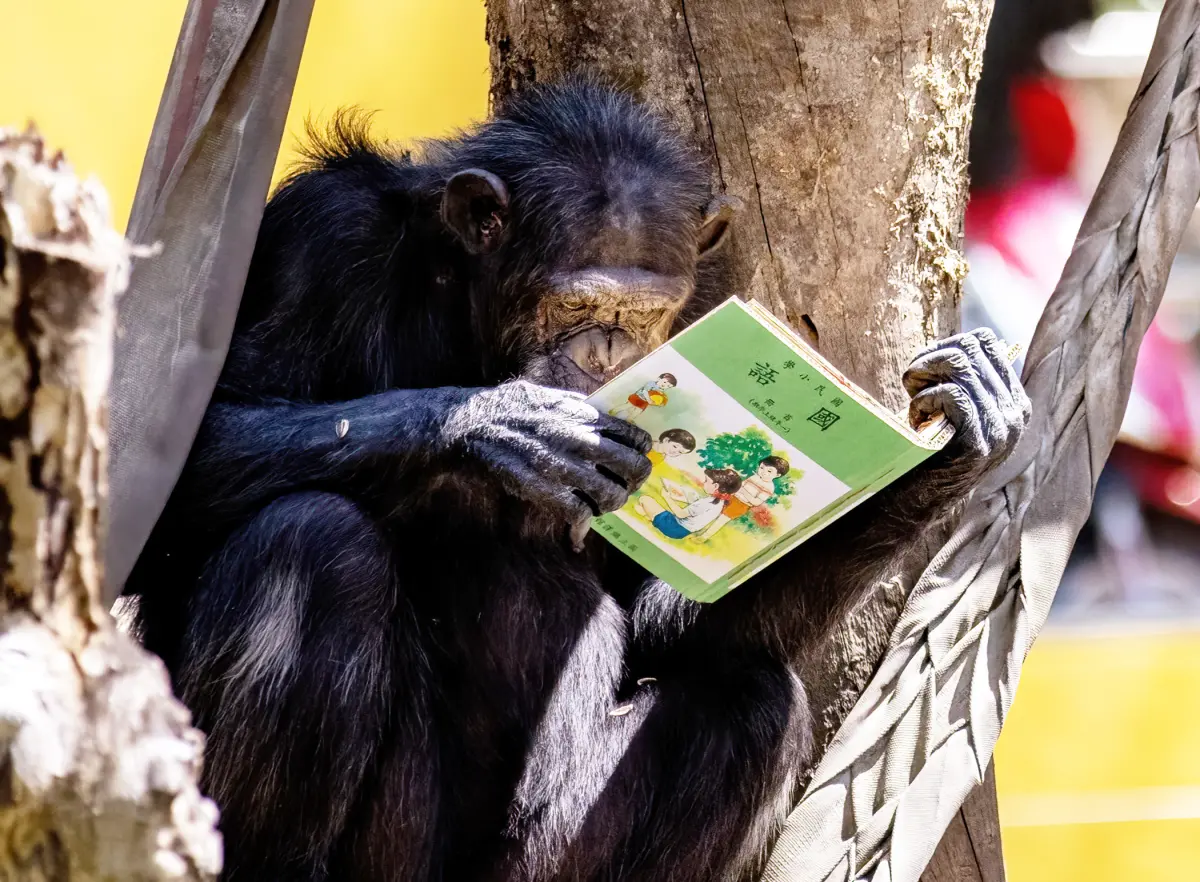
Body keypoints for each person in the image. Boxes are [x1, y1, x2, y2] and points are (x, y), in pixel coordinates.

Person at [696, 455, 791, 541]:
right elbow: (740, 486)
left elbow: (756, 502)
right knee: (712, 510)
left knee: (721, 520)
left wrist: (744, 492)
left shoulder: (769, 487)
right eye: (762, 467)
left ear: (777, 475)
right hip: (732, 497)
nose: (763, 472)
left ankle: (703, 537)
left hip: (741, 505)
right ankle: (698, 527)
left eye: (769, 471)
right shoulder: (754, 477)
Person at [634, 468, 742, 539]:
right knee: (641, 508)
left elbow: (680, 514)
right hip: (683, 531)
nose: (704, 483)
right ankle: (652, 518)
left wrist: (666, 497)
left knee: (644, 499)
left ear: (716, 486)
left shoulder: (707, 502)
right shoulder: (719, 503)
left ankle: (652, 518)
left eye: (706, 481)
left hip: (674, 527)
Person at [608, 373, 677, 422]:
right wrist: (649, 400)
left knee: (638, 411)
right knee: (627, 405)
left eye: (668, 386)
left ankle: (629, 419)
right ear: (659, 378)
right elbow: (645, 391)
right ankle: (614, 411)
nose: (665, 386)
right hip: (638, 397)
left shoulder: (661, 391)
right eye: (665, 382)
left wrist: (659, 403)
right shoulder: (651, 384)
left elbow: (657, 399)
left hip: (644, 402)